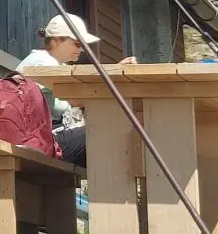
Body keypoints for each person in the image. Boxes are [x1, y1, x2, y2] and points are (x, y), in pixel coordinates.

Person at [17, 12, 135, 166]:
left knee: (102, 139)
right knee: (101, 133)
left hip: (36, 139)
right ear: (56, 40)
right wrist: (115, 72)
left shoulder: (51, 63)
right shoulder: (43, 63)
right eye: (78, 44)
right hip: (33, 141)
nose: (82, 50)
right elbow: (79, 97)